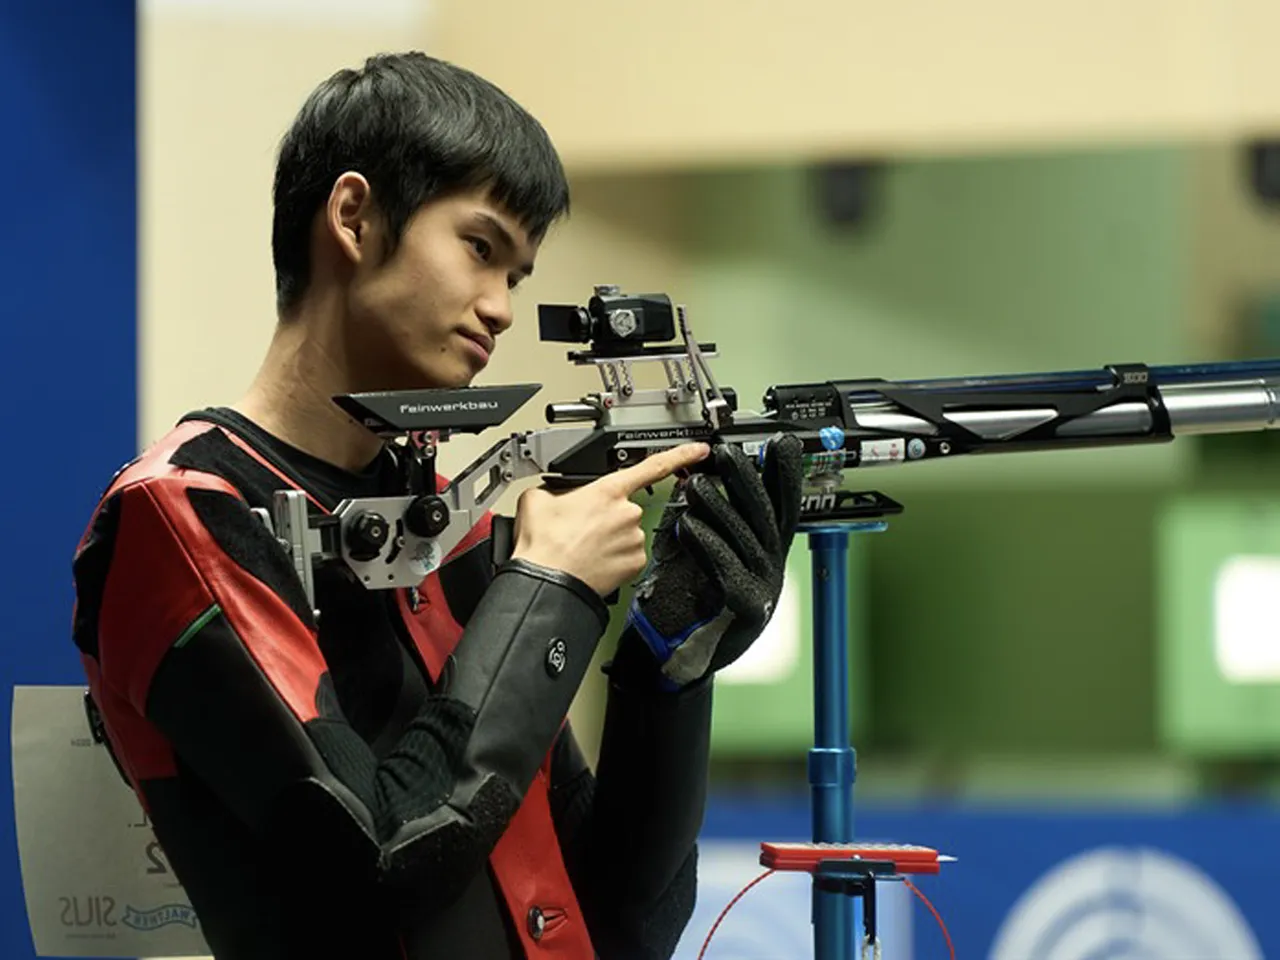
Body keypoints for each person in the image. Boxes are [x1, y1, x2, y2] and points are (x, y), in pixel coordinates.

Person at [70, 52, 802, 960]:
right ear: (353, 217)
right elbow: (376, 869)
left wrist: (672, 663)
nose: (499, 307)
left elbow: (618, 919)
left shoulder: (444, 524)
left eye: (518, 275)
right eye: (481, 247)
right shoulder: (184, 514)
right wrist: (551, 588)